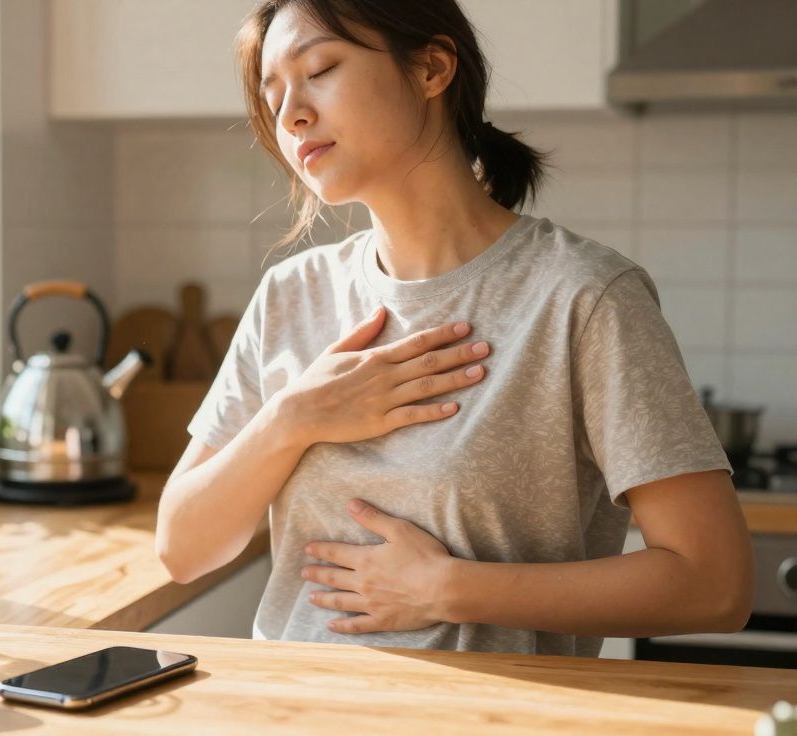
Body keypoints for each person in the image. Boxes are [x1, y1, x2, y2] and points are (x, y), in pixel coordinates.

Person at [154, 0, 754, 657]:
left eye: (319, 69)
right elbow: (183, 550)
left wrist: (447, 589)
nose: (291, 114)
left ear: (433, 68)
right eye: (273, 96)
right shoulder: (291, 297)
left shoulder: (584, 299)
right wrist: (294, 418)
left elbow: (714, 584)